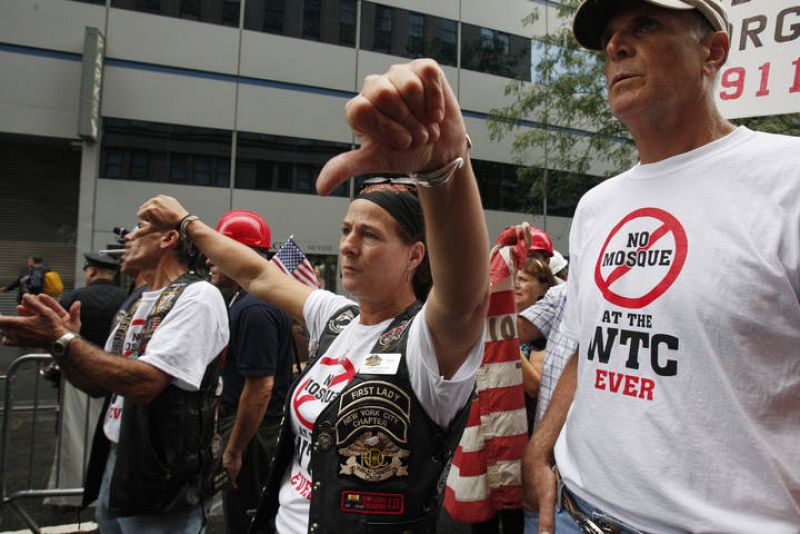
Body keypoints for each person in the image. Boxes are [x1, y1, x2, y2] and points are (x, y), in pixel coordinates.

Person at [137, 58, 490, 533]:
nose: (348, 244)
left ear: (414, 256)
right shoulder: (339, 318)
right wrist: (188, 224)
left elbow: (465, 297)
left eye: (370, 235)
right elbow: (260, 276)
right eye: (346, 229)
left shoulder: (429, 345)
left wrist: (441, 168)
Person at [524, 0, 800, 532]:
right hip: (575, 515)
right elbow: (591, 341)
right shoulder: (596, 205)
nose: (615, 47)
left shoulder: (787, 179)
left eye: (646, 25)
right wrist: (541, 449)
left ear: (713, 52)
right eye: (610, 36)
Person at [0, 217, 229, 533]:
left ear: (168, 239)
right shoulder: (136, 300)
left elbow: (146, 383)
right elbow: (98, 384)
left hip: (161, 473)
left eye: (138, 229)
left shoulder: (198, 296)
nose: (126, 237)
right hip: (117, 457)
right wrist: (60, 346)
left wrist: (67, 341)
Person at [210, 209, 295, 534]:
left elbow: (259, 388)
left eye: (218, 252)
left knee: (249, 519)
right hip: (258, 427)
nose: (210, 261)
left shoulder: (255, 307)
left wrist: (234, 449)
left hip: (255, 430)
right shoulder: (250, 301)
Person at [44, 252, 129, 508]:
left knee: (72, 433)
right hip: (117, 380)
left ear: (91, 272)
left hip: (79, 378)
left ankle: (71, 491)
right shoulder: (127, 300)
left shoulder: (74, 298)